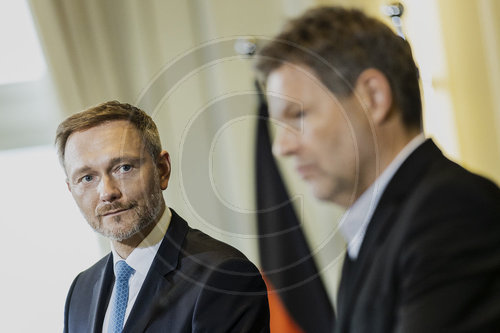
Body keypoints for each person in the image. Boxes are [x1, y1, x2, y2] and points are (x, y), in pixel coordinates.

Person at [255, 6, 500, 332]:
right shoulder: (377, 227)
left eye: (297, 116)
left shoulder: (452, 210)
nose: (281, 146)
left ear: (373, 96)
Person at [56, 101, 270, 333]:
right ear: (71, 189)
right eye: (87, 178)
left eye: (124, 167)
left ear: (162, 169)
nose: (107, 192)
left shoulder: (224, 276)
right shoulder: (81, 290)